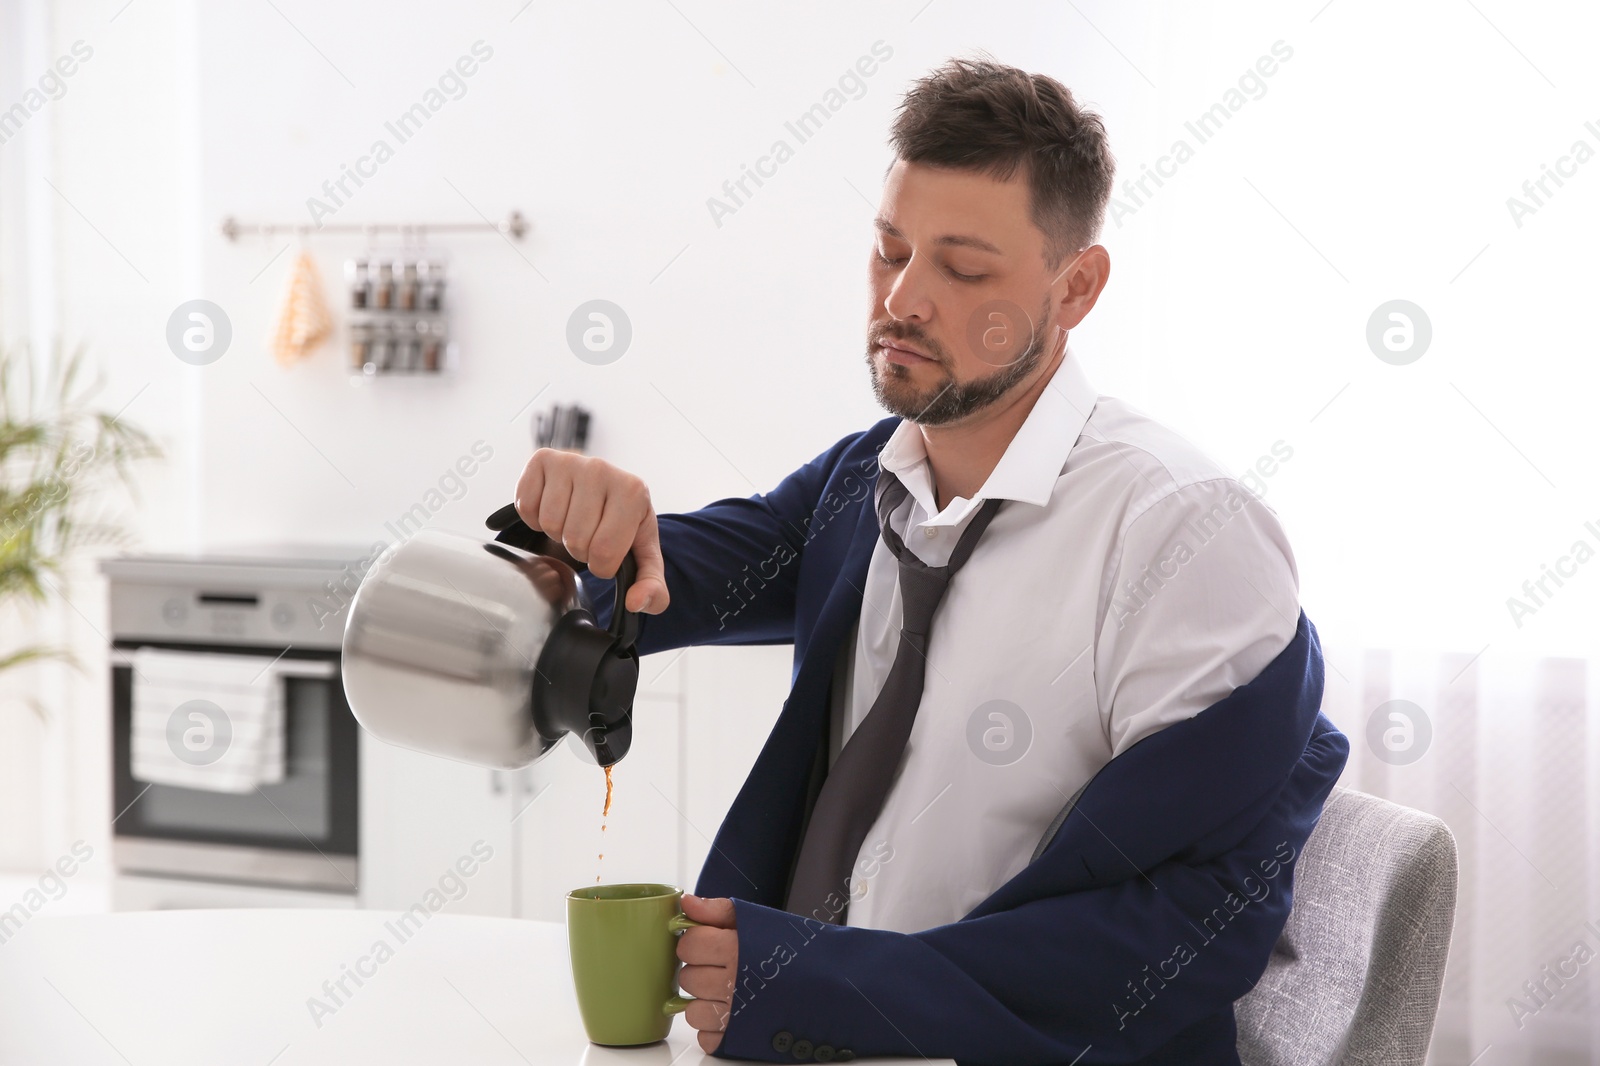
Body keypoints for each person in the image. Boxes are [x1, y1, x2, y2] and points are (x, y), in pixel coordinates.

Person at [508, 56, 1347, 1066]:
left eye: (962, 268)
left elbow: (1193, 927)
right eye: (889, 250)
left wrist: (835, 985)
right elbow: (656, 571)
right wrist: (583, 520)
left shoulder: (1185, 531)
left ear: (1073, 288)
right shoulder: (863, 481)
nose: (901, 298)